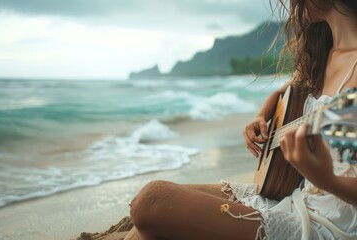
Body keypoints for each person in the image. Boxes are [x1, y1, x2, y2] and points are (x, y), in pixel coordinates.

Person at [124, 0, 357, 239]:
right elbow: (282, 93)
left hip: (332, 226)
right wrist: (261, 117)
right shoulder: (322, 55)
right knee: (147, 223)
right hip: (296, 198)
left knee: (152, 200)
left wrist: (326, 179)